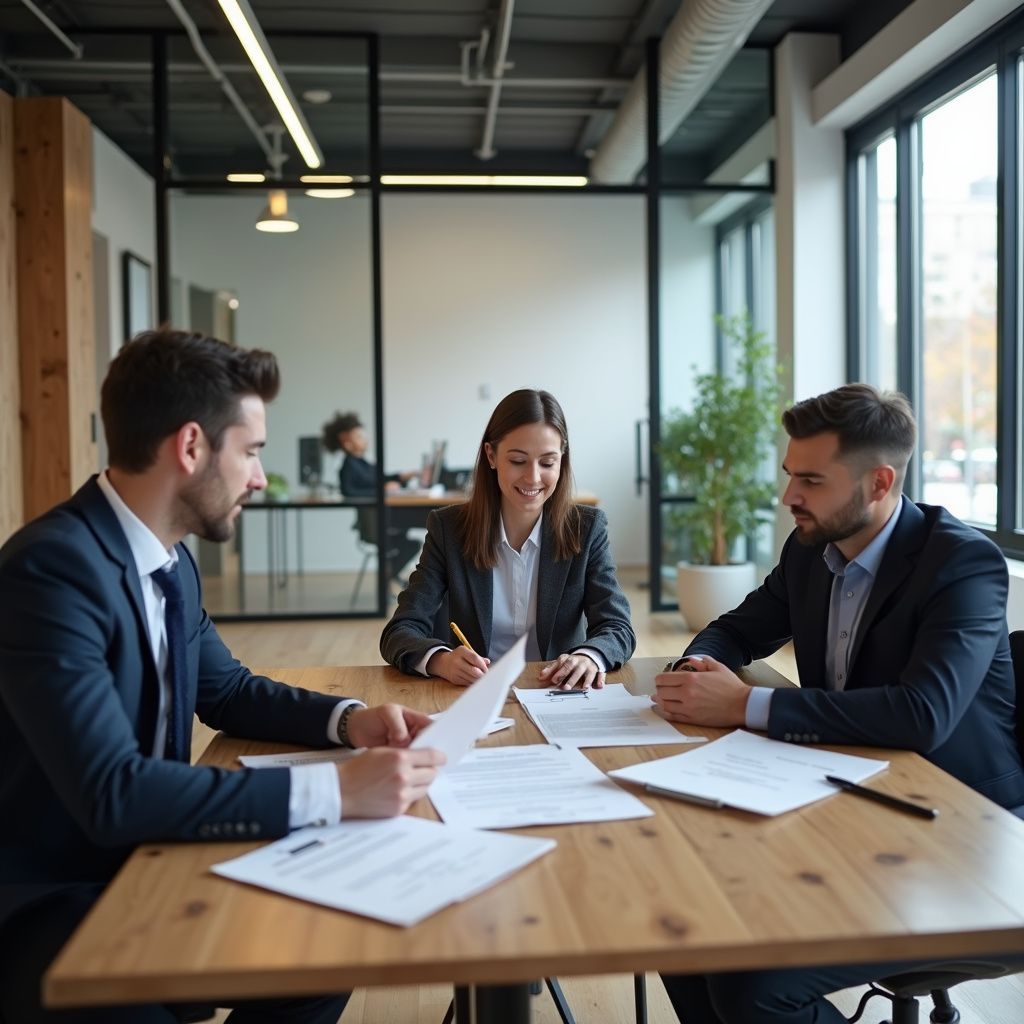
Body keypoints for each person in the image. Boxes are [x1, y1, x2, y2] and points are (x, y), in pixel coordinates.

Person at [0, 329, 444, 1024]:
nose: (260, 477)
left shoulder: (170, 559)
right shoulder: (50, 572)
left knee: (320, 956)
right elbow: (114, 794)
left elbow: (228, 690)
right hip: (54, 902)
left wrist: (349, 720)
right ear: (190, 447)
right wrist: (333, 788)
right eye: (252, 452)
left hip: (150, 859)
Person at [653, 383, 1024, 1024]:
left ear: (878, 483)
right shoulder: (810, 551)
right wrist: (699, 667)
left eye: (811, 481)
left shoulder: (962, 564)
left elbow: (921, 715)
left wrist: (744, 706)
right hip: (851, 800)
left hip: (964, 833)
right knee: (687, 918)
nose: (789, 496)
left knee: (753, 987)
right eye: (790, 475)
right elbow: (737, 629)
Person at [380, 389, 635, 690]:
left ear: (561, 460)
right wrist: (441, 660)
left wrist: (590, 656)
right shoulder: (448, 529)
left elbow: (617, 627)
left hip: (557, 693)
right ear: (491, 455)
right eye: (517, 461)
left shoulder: (587, 528)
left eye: (547, 462)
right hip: (473, 693)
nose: (533, 478)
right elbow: (400, 630)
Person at [321, 411, 420, 584]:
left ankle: (390, 578)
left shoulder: (363, 463)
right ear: (345, 440)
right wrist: (383, 489)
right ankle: (388, 580)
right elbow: (349, 493)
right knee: (411, 543)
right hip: (372, 525)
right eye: (359, 436)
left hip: (383, 519)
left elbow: (379, 479)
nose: (365, 439)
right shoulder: (348, 466)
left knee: (411, 543)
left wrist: (400, 477)